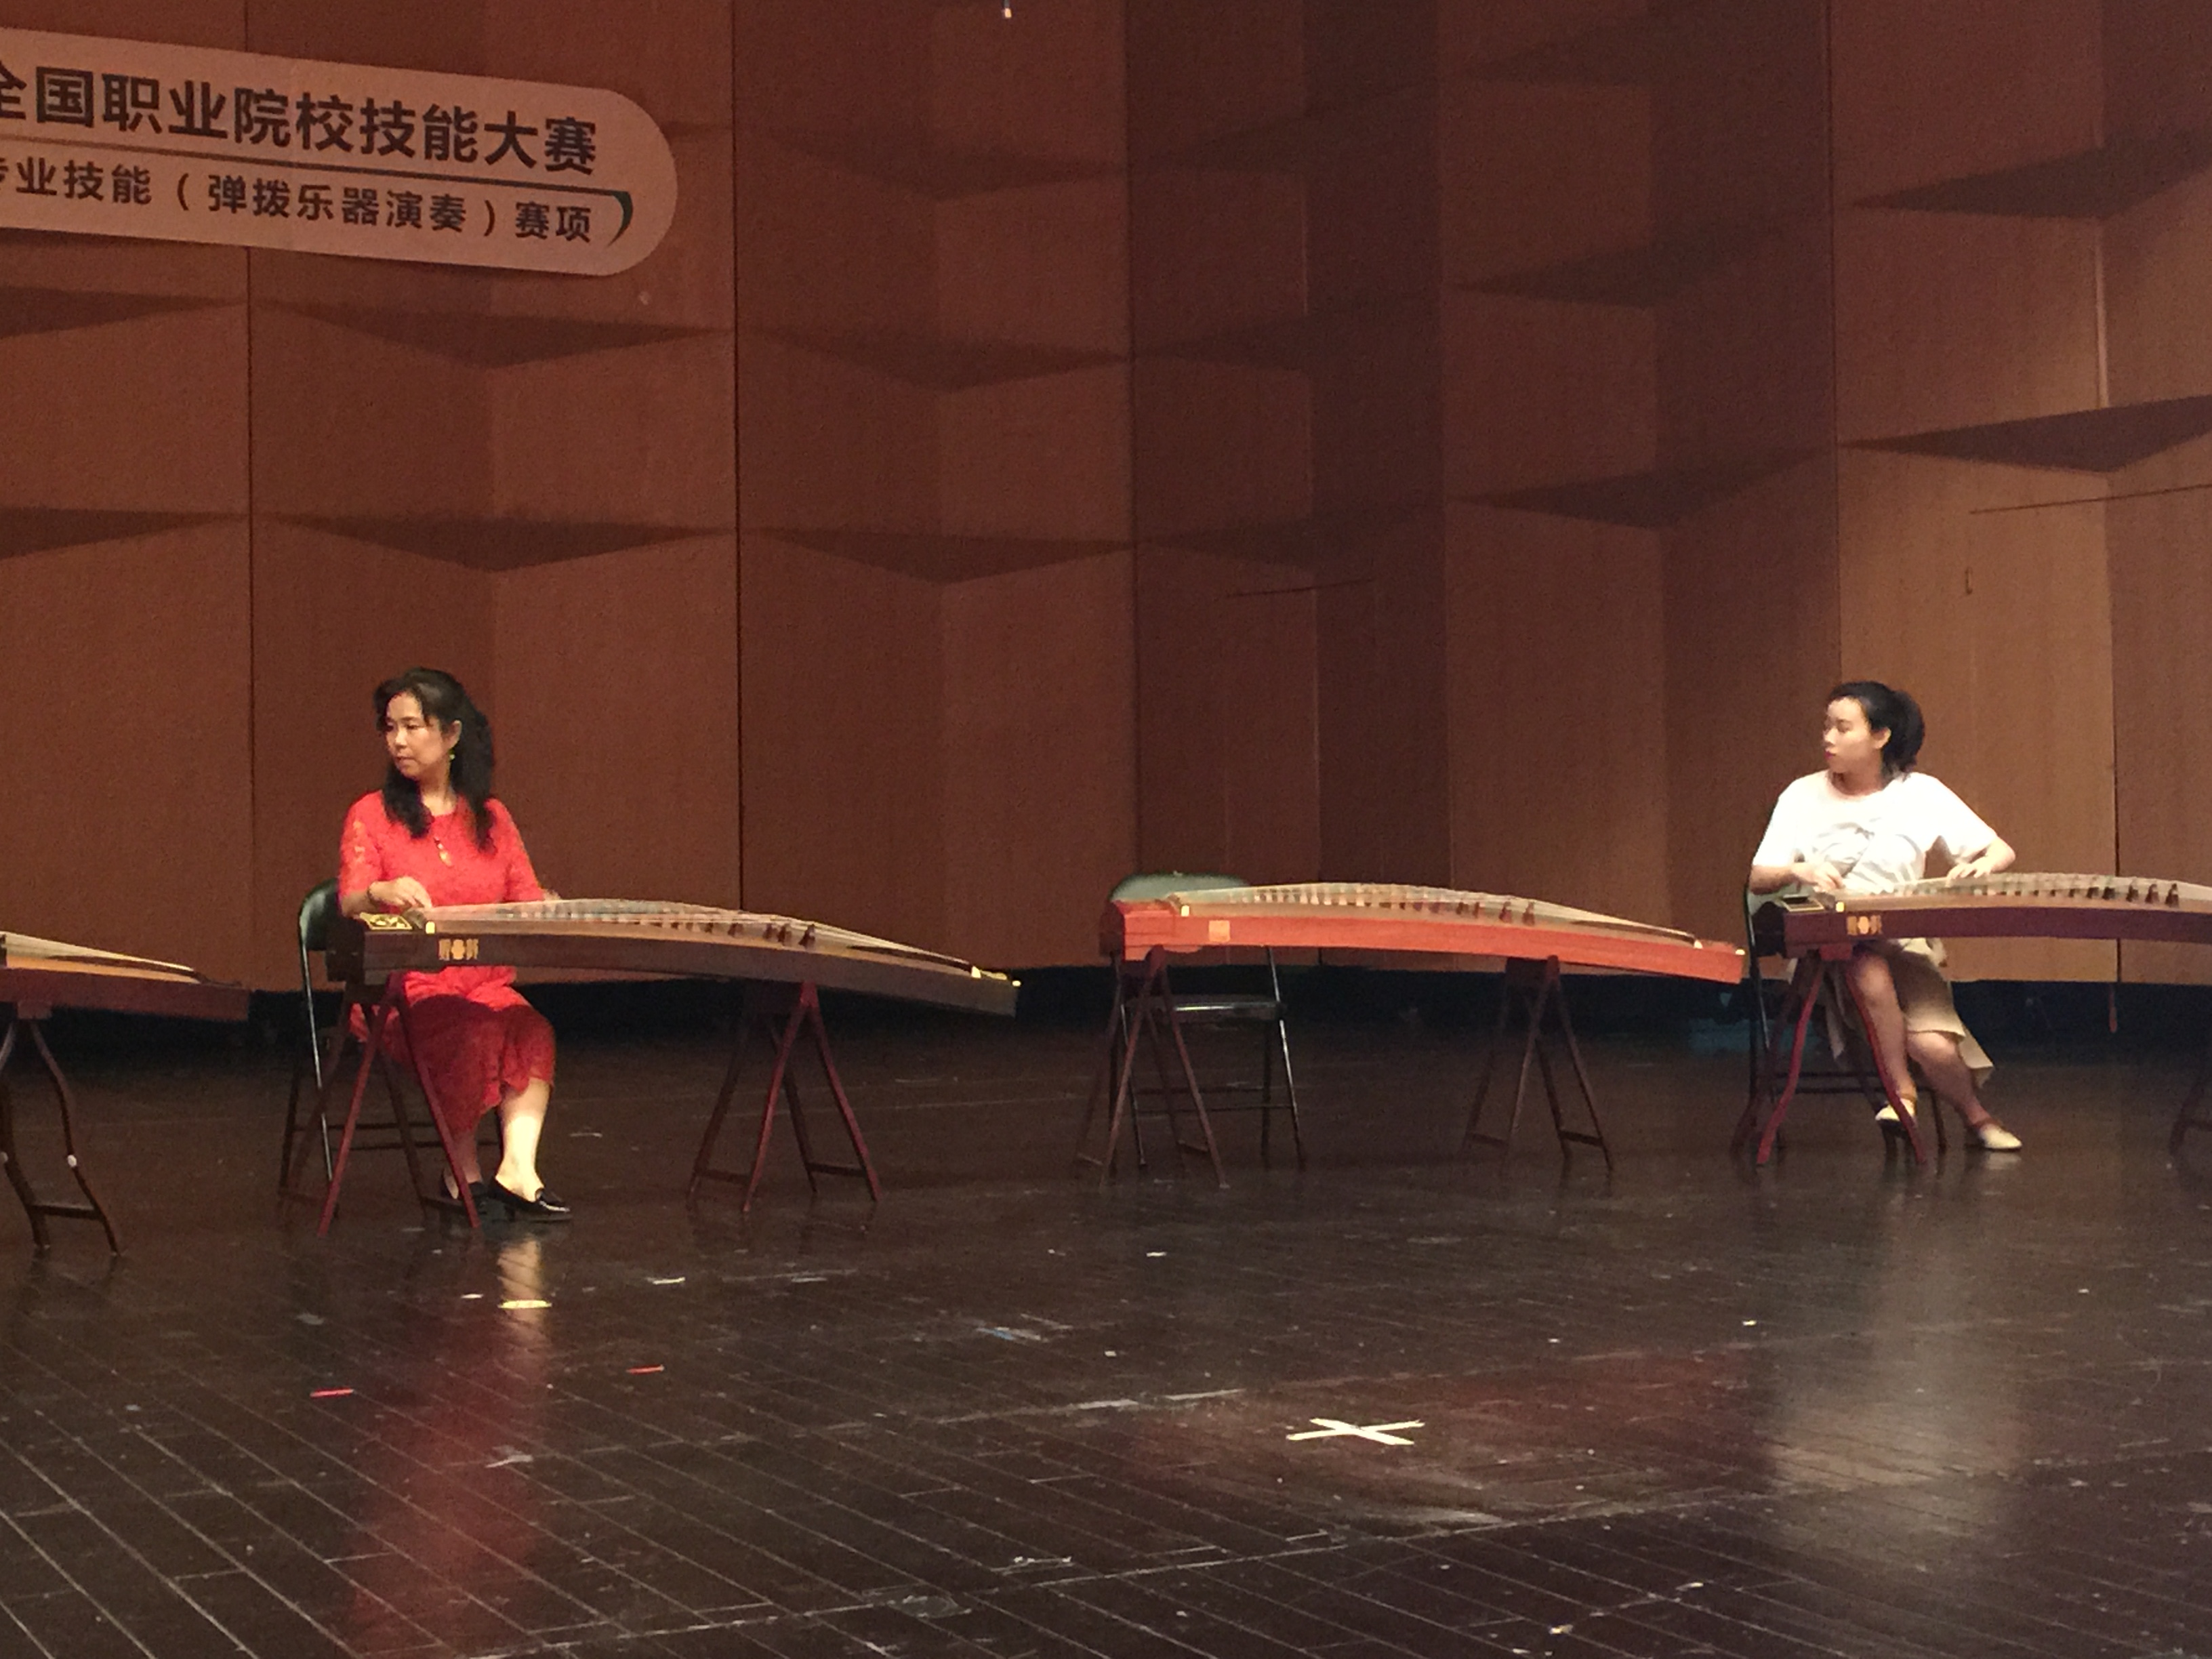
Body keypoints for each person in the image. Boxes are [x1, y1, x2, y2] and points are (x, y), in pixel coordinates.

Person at [1748, 680, 2022, 1153]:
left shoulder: (1922, 793)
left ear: (1881, 736)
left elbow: (1999, 849)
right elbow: (1759, 877)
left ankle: (1977, 1119)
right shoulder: (1802, 794)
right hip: (1831, 947)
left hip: (1904, 939)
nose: (1828, 738)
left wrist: (1983, 866)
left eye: (1842, 728)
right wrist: (1799, 870)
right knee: (1866, 967)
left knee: (1934, 1046)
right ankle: (1903, 1095)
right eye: (1827, 726)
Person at [337, 668, 570, 1217]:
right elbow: (349, 902)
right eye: (390, 728)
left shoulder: (490, 818)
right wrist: (381, 891)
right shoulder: (372, 815)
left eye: (412, 727)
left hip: (484, 983)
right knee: (472, 1034)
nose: (398, 741)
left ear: (451, 735)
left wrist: (546, 905)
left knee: (531, 1029)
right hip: (408, 991)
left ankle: (518, 1171)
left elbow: (523, 898)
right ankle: (460, 1174)